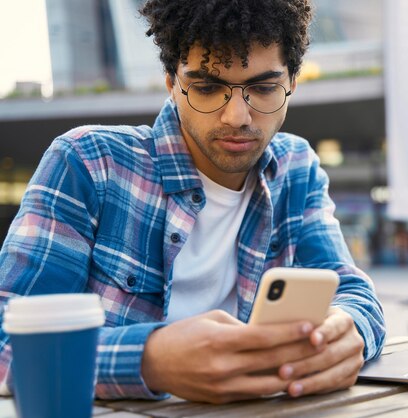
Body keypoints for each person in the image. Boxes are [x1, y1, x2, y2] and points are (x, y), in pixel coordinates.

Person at [0, 0, 385, 404]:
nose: (237, 116)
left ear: (292, 82)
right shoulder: (88, 162)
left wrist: (350, 330)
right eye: (207, 88)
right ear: (171, 82)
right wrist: (149, 360)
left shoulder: (295, 167)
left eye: (264, 88)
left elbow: (354, 292)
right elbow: (8, 338)